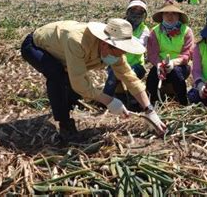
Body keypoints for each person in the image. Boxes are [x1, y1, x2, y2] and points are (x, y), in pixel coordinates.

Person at [20, 18, 166, 140]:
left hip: (63, 52)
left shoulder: (116, 52)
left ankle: (66, 104)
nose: (119, 56)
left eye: (122, 51)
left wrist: (149, 111)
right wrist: (109, 100)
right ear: (105, 43)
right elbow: (79, 82)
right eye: (117, 51)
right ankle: (65, 124)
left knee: (73, 86)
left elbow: (130, 79)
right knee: (57, 75)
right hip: (36, 46)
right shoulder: (77, 41)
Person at [103, 0, 150, 111]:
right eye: (133, 11)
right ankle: (105, 100)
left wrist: (124, 35)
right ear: (127, 12)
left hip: (136, 65)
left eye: (140, 12)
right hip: (116, 62)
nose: (136, 14)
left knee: (130, 75)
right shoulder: (119, 25)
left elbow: (139, 46)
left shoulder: (144, 30)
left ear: (144, 15)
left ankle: (134, 102)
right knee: (114, 74)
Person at [146, 0, 194, 105]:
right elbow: (152, 53)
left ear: (179, 16)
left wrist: (173, 63)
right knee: (152, 76)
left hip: (180, 65)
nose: (170, 16)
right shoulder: (155, 32)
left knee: (176, 73)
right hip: (160, 64)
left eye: (174, 13)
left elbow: (187, 54)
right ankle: (152, 102)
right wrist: (159, 64)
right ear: (162, 15)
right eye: (166, 13)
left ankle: (183, 102)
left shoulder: (187, 31)